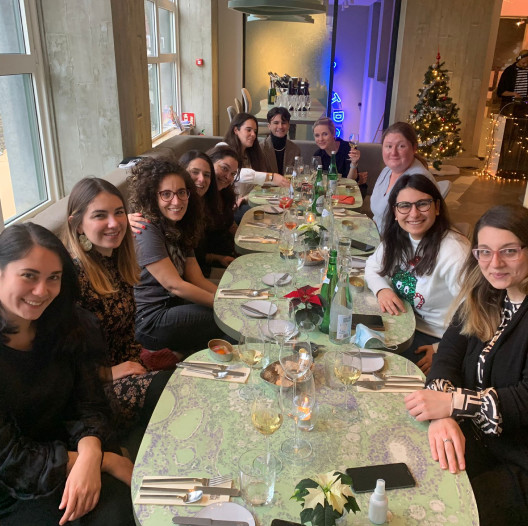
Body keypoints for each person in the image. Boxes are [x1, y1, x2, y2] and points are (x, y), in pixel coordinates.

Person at [0, 223, 134, 526]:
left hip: (73, 450)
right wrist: (104, 460)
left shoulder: (66, 325)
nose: (41, 291)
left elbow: (88, 402)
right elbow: (10, 459)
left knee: (120, 511)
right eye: (29, 276)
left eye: (54, 278)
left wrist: (90, 451)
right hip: (14, 483)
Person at [404, 204, 528, 525]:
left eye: (509, 251)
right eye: (484, 251)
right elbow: (447, 355)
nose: (494, 263)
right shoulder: (484, 292)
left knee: (446, 514)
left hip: (517, 458)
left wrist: (452, 404)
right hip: (474, 436)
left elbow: (524, 400)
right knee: (407, 476)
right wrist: (442, 413)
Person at [65, 177, 171, 457]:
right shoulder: (71, 278)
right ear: (77, 224)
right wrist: (108, 372)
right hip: (93, 395)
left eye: (119, 212)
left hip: (129, 369)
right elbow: (59, 364)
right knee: (173, 391)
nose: (114, 223)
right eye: (100, 215)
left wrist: (137, 362)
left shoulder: (116, 261)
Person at [365, 174, 469, 374]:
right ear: (395, 212)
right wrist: (382, 290)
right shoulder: (399, 236)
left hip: (435, 338)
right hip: (402, 325)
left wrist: (443, 349)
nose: (413, 214)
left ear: (437, 207)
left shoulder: (454, 251)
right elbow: (372, 267)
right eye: (404, 206)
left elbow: (476, 312)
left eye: (422, 204)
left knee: (375, 375)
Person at [128, 157, 225, 361]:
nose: (176, 201)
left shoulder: (181, 225)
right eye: (166, 194)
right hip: (152, 320)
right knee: (224, 321)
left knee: (227, 316)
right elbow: (175, 286)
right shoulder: (146, 229)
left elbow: (196, 279)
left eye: (182, 192)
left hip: (175, 307)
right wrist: (225, 307)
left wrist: (228, 299)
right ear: (151, 197)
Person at [368, 122, 438, 232]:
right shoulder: (387, 170)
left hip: (395, 243)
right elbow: (379, 215)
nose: (393, 152)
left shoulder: (418, 179)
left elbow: (415, 228)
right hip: (376, 232)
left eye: (401, 146)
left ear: (414, 148)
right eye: (389, 146)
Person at [220, 112, 289, 220]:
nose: (253, 134)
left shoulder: (250, 154)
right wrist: (271, 177)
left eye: (255, 131)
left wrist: (246, 198)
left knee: (281, 208)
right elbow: (238, 174)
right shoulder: (223, 148)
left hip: (244, 204)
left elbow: (254, 187)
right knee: (270, 216)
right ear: (236, 130)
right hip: (226, 208)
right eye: (248, 130)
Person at [178, 150, 236, 277]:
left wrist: (218, 258)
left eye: (206, 175)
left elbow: (196, 255)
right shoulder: (178, 210)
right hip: (194, 280)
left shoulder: (202, 203)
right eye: (195, 172)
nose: (201, 179)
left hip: (205, 269)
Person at [312, 116, 367, 197]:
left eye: (325, 134)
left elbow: (351, 181)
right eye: (317, 135)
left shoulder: (348, 148)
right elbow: (318, 181)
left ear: (333, 133)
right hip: (331, 192)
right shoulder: (318, 155)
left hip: (350, 191)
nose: (320, 139)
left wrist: (354, 163)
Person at [261, 107, 301, 175]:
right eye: (276, 123)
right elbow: (260, 176)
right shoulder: (261, 148)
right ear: (269, 126)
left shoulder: (295, 150)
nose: (280, 126)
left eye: (284, 123)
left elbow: (297, 175)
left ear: (288, 126)